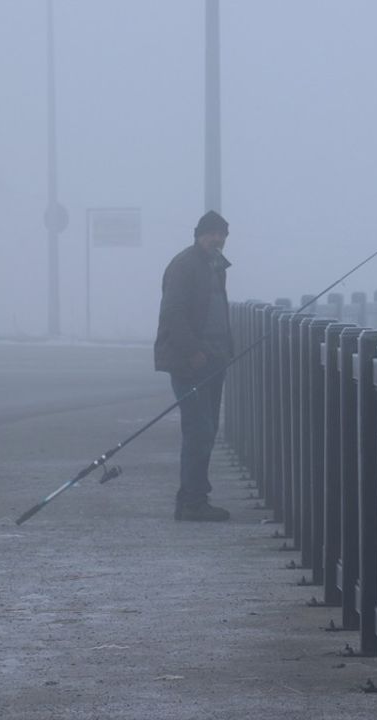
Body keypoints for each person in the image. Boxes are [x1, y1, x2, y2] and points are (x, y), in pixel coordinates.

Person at [154, 210, 234, 521]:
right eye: (211, 234)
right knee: (198, 429)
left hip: (214, 359)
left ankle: (194, 497)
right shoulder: (184, 265)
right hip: (190, 362)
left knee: (208, 429)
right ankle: (191, 502)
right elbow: (174, 312)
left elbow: (217, 311)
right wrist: (193, 351)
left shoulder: (216, 266)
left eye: (222, 234)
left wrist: (226, 348)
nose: (217, 239)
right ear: (198, 235)